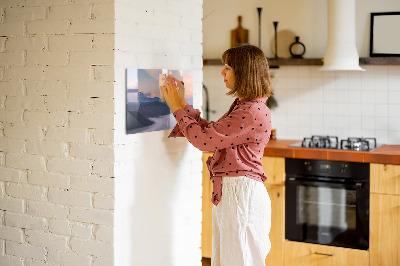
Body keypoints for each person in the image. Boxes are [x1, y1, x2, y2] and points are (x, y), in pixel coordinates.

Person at [161, 44, 273, 266]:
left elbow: (204, 141)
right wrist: (182, 104)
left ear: (244, 72)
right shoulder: (246, 106)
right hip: (236, 193)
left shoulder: (250, 111)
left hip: (241, 195)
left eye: (228, 67)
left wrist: (176, 107)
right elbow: (212, 133)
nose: (222, 72)